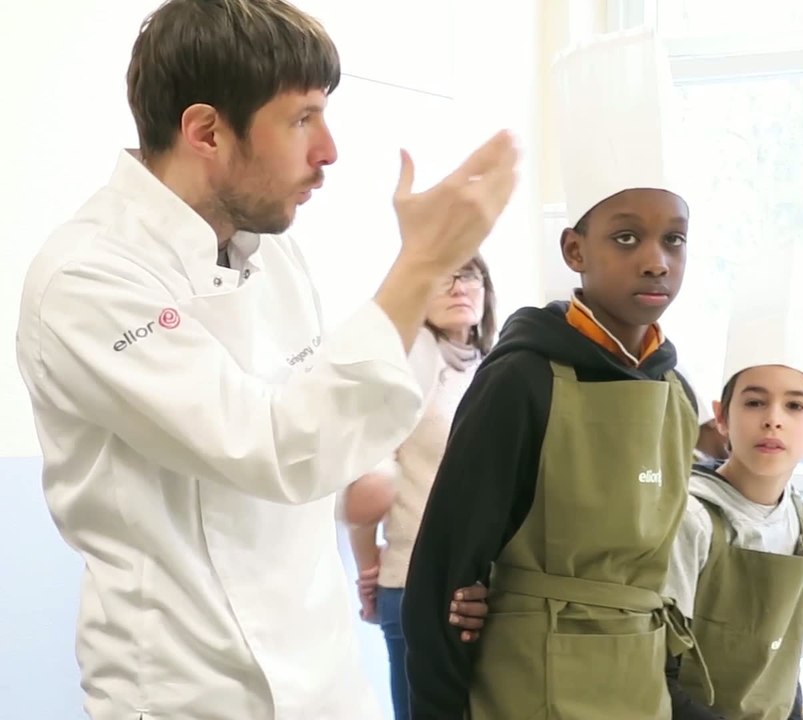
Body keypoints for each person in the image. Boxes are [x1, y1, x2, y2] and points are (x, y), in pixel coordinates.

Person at [12, 1, 517, 718]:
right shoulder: (88, 277)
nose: (329, 150)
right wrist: (422, 265)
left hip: (327, 682)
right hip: (186, 697)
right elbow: (274, 448)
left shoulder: (275, 256)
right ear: (207, 132)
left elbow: (326, 435)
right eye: (303, 118)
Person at [400, 26, 702, 720]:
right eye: (626, 237)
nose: (655, 259)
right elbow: (444, 575)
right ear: (575, 251)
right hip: (529, 688)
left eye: (674, 239)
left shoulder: (677, 396)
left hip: (640, 692)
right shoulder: (523, 380)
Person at [665, 263, 803, 720]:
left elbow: (786, 665)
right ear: (721, 416)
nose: (773, 419)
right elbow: (658, 673)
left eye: (794, 405)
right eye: (755, 402)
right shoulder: (691, 517)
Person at [341, 254, 497, 720]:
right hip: (416, 583)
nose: (459, 287)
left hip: (491, 588)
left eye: (469, 275)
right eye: (443, 277)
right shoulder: (408, 365)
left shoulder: (495, 368)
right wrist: (369, 569)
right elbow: (365, 480)